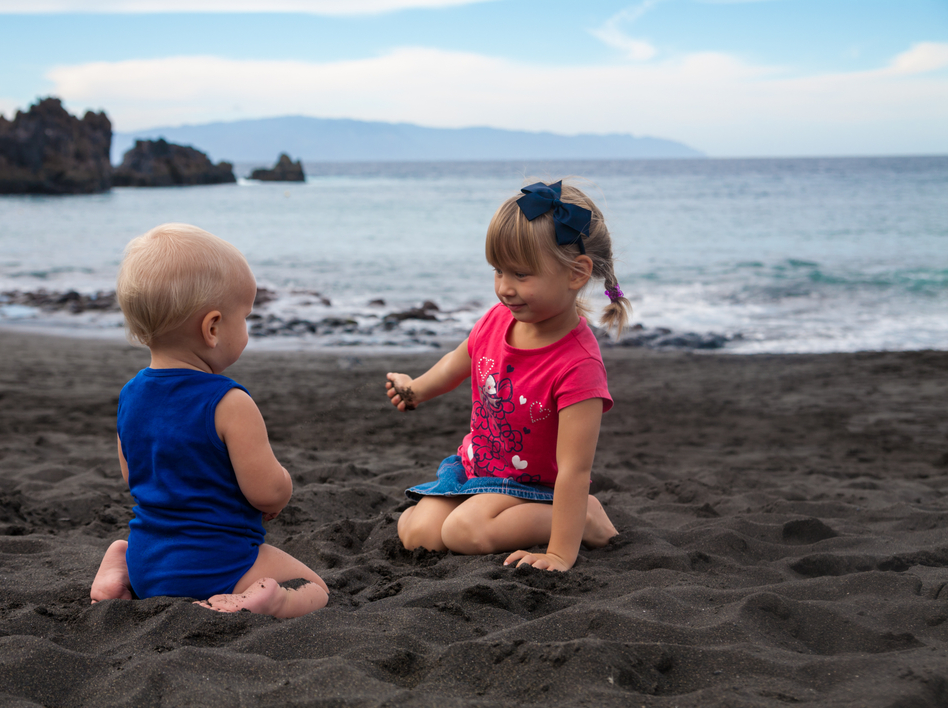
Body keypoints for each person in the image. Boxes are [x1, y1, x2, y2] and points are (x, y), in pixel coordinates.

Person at [385, 180, 630, 571]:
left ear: (576, 273)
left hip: (535, 490)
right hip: (475, 468)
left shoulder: (578, 364)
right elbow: (458, 361)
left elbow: (574, 470)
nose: (504, 289)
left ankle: (583, 517)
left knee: (464, 532)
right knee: (419, 533)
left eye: (520, 274)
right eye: (498, 271)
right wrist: (416, 389)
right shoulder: (497, 320)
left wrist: (558, 553)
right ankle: (482, 509)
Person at [90, 223, 328, 618]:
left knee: (131, 544)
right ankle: (265, 600)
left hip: (150, 565)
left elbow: (134, 477)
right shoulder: (229, 402)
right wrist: (280, 486)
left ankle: (121, 565)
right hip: (218, 564)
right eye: (245, 317)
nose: (247, 328)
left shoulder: (130, 394)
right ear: (213, 327)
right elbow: (267, 494)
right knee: (313, 588)